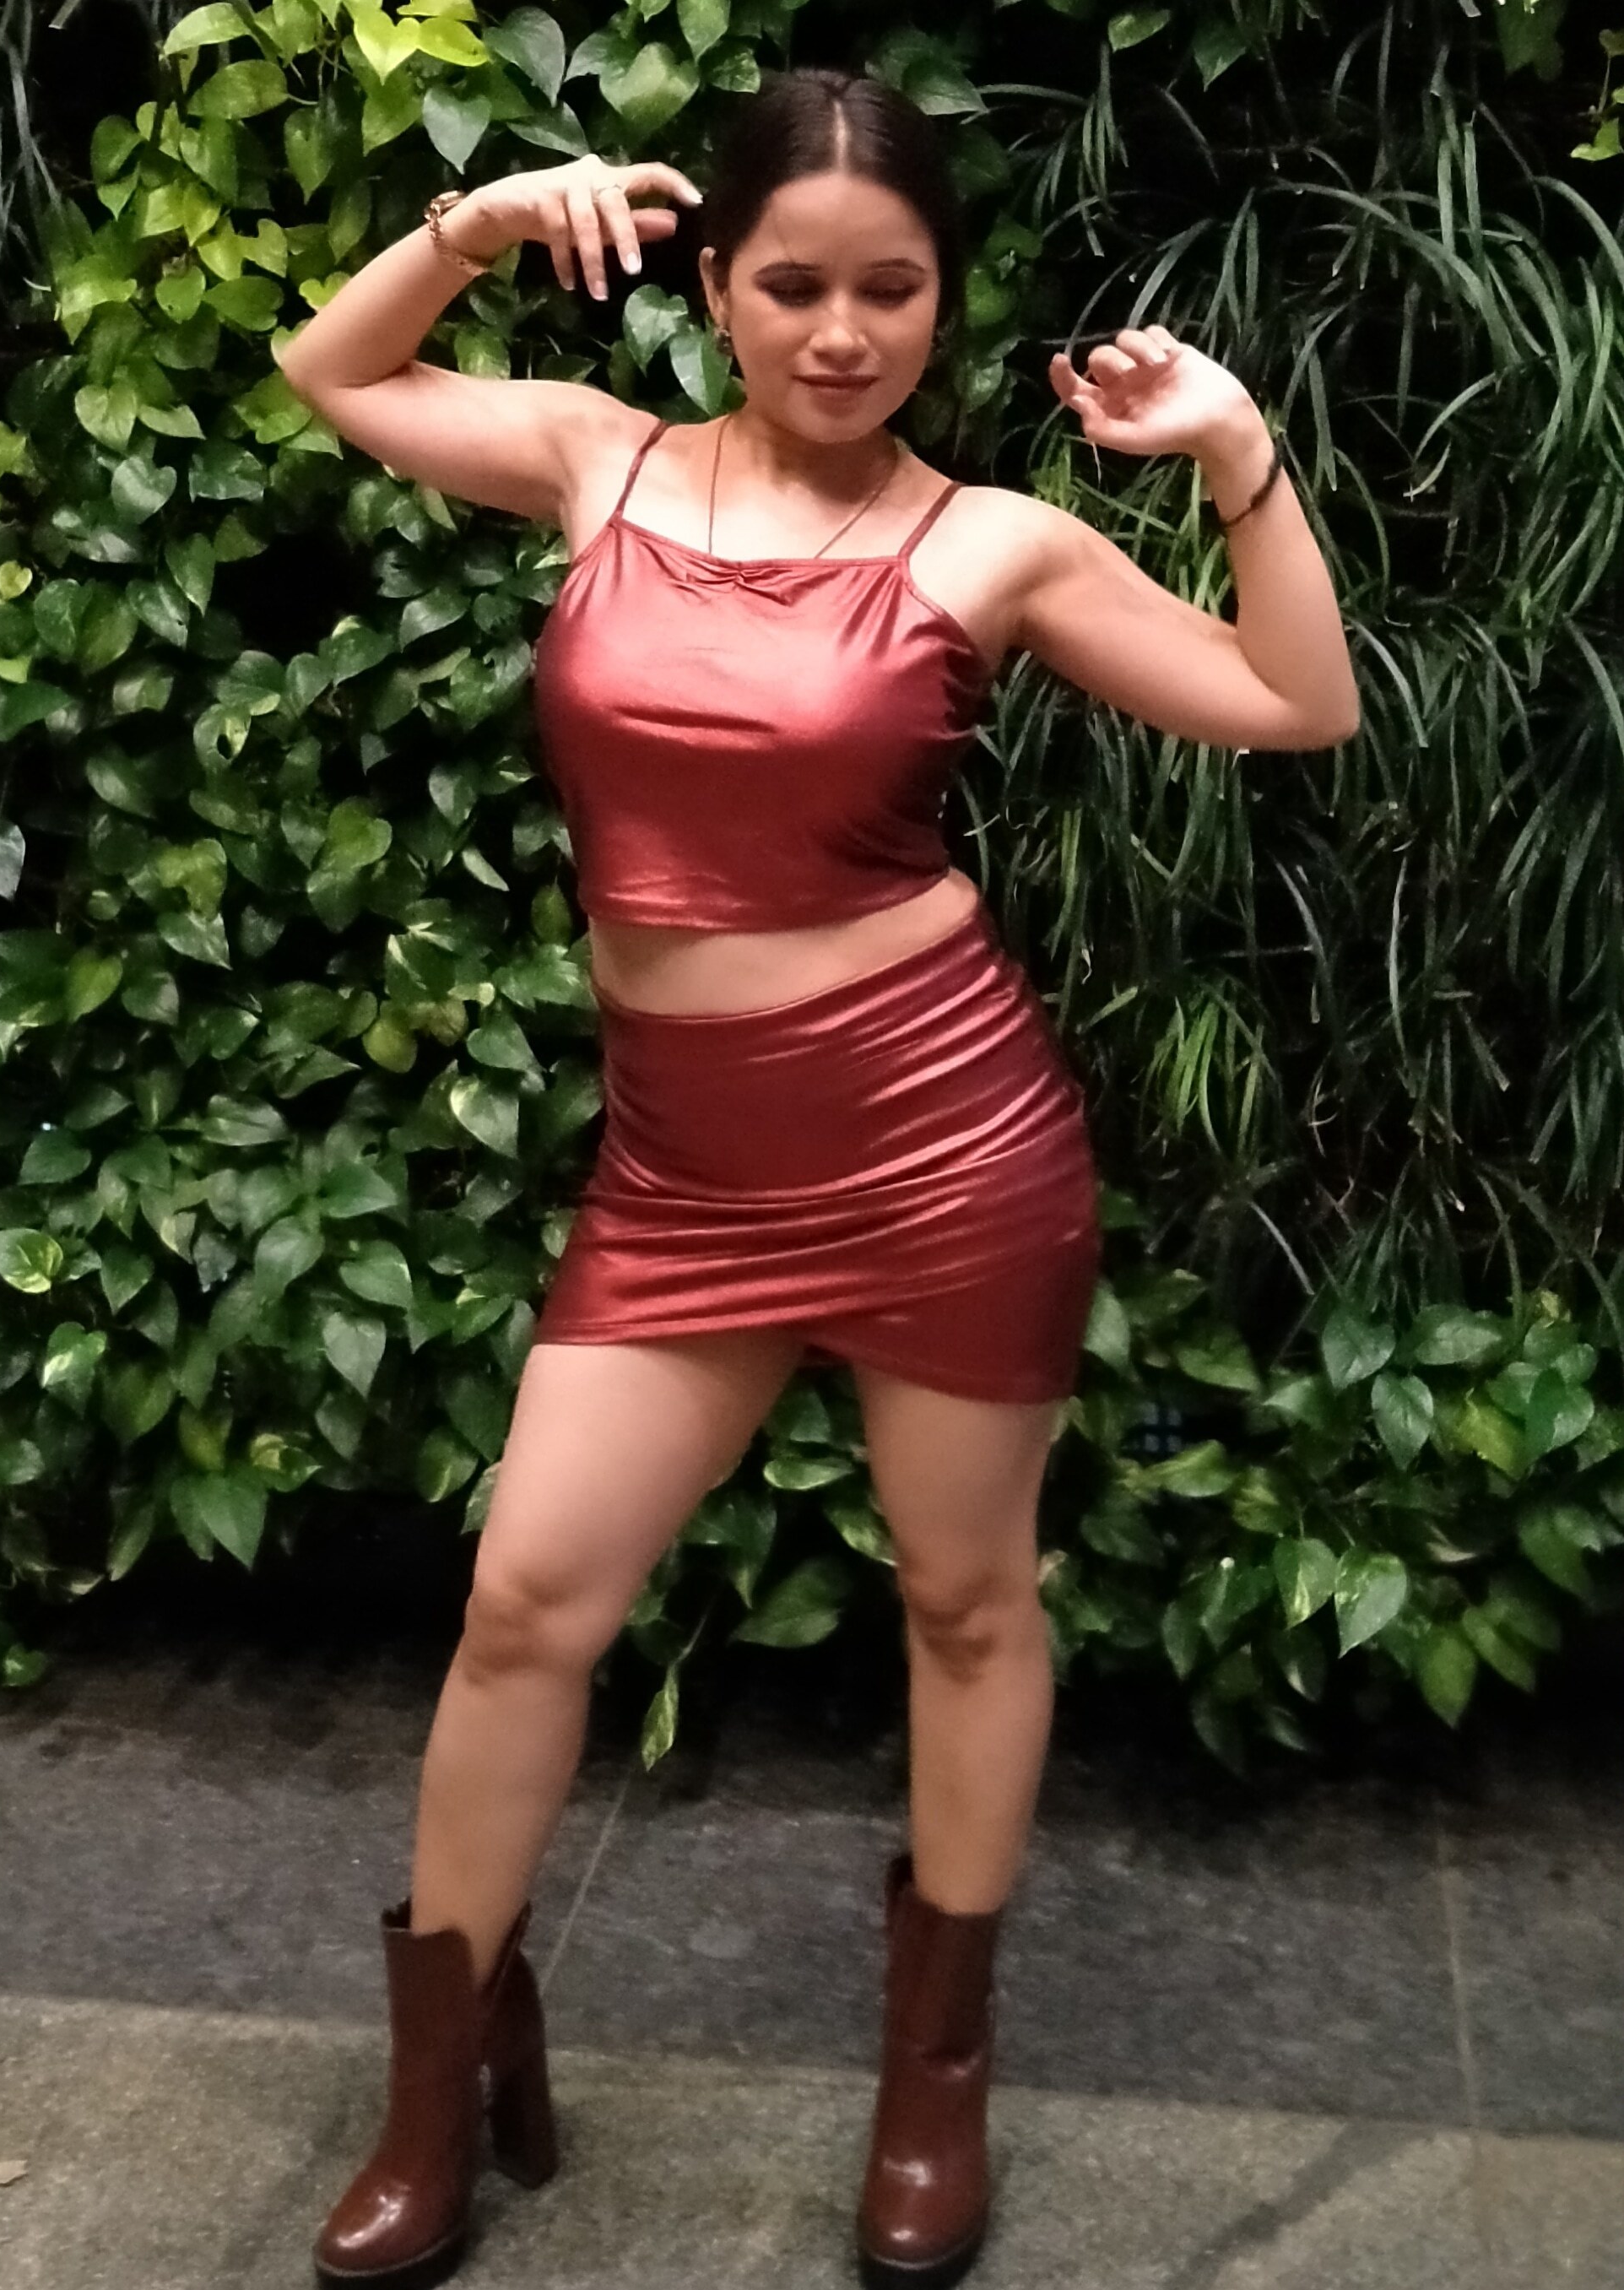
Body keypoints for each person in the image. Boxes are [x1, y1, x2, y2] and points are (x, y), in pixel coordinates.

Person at [273, 63, 1358, 2290]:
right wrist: (479, 223)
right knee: (524, 1603)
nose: (842, 332)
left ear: (942, 301)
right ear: (714, 286)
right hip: (682, 1171)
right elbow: (334, 372)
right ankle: (442, 2078)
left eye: (892, 288)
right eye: (792, 285)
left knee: (965, 1604)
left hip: (944, 1145)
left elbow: (1293, 702)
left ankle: (933, 2077)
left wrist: (1235, 453)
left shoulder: (993, 543)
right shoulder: (598, 459)